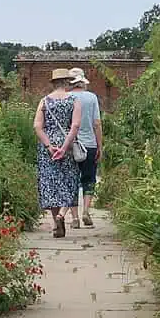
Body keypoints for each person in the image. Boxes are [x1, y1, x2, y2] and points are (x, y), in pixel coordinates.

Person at [33, 68, 83, 238]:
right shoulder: (74, 100)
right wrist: (64, 146)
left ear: (53, 83)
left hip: (48, 145)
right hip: (67, 144)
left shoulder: (44, 101)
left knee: (52, 182)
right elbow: (75, 125)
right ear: (67, 82)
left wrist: (49, 146)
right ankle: (62, 215)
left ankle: (56, 223)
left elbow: (37, 127)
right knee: (69, 180)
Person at [65, 67, 102, 229]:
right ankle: (86, 211)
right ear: (82, 81)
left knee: (71, 181)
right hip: (90, 144)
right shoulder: (92, 97)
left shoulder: (67, 97)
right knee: (89, 179)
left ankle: (74, 218)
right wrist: (100, 145)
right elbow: (97, 123)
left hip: (71, 145)